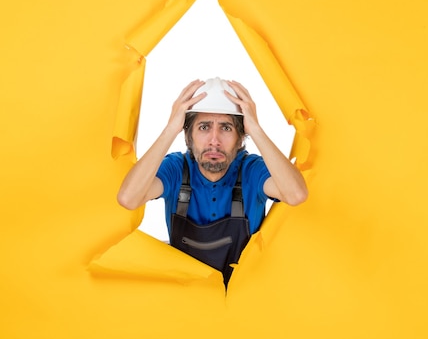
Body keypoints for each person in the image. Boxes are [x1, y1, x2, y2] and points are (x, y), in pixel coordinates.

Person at [117, 77, 308, 287]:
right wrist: (170, 129)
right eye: (204, 127)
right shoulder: (176, 169)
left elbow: (296, 194)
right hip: (186, 298)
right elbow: (128, 198)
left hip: (242, 300)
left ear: (240, 137)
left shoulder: (251, 170)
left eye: (226, 128)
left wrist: (256, 129)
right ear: (188, 135)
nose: (214, 140)